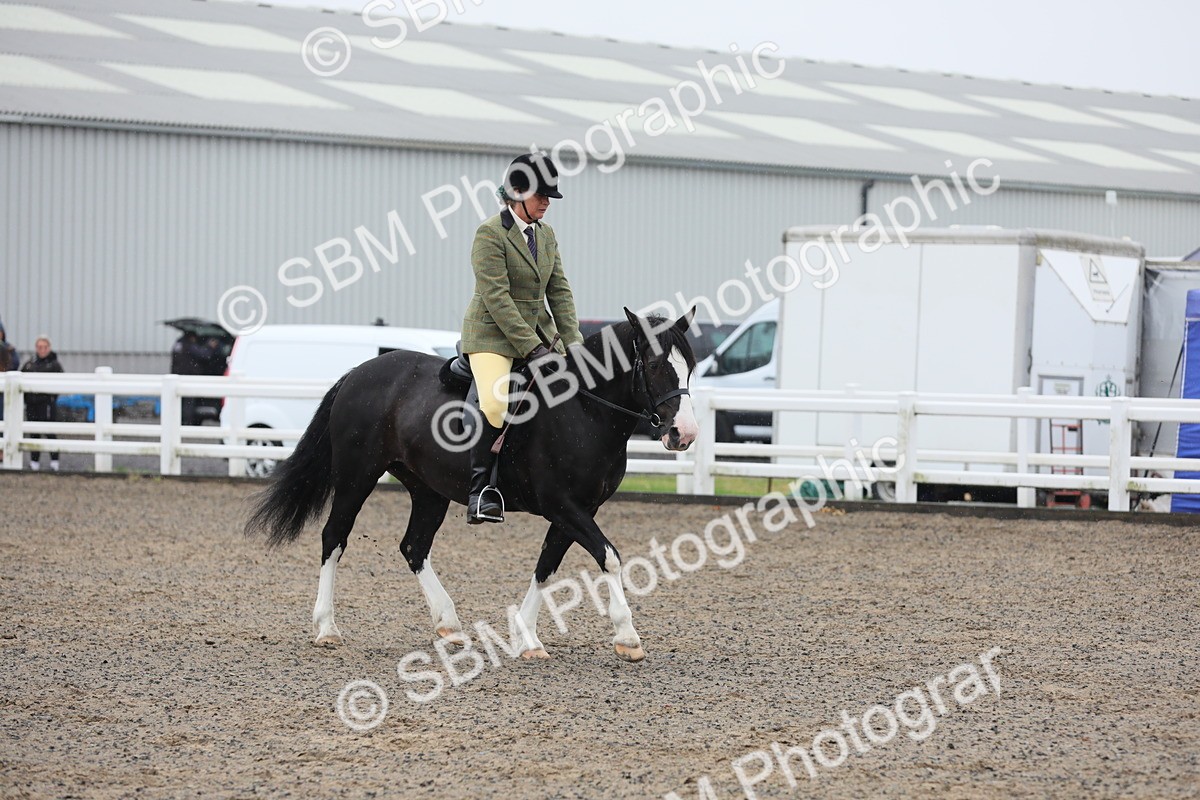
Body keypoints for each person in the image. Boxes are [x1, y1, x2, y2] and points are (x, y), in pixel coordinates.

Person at [459, 152, 584, 523]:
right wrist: (532, 349)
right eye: (540, 196)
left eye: (549, 196)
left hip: (540, 333)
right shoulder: (489, 234)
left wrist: (573, 344)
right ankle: (481, 491)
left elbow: (559, 292)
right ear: (516, 193)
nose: (547, 202)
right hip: (492, 336)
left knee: (576, 388)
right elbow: (497, 299)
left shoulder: (546, 236)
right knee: (496, 404)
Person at [21, 335, 64, 471]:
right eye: (39, 347)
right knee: (34, 432)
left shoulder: (54, 364)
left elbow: (61, 382)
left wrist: (51, 398)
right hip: (31, 404)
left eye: (44, 347)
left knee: (49, 431)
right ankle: (34, 462)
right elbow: (21, 377)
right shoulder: (30, 363)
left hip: (46, 404)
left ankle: (54, 461)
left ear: (49, 348)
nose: (42, 350)